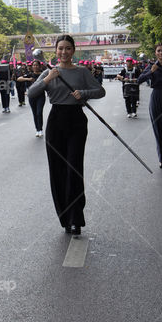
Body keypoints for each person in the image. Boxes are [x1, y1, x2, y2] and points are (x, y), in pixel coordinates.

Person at [27, 35, 105, 236]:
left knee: (74, 168)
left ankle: (75, 218)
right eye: (60, 48)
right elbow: (31, 93)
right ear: (56, 51)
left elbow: (100, 90)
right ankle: (64, 217)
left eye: (68, 48)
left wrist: (83, 93)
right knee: (58, 170)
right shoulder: (48, 72)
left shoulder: (81, 71)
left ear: (73, 50)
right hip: (56, 121)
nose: (64, 52)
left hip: (76, 121)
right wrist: (47, 79)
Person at [21, 60, 43, 136]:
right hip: (32, 96)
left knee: (39, 112)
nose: (35, 66)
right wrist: (28, 79)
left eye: (37, 65)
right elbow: (19, 79)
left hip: (40, 96)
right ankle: (37, 129)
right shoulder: (30, 74)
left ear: (40, 67)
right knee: (34, 113)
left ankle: (40, 129)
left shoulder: (43, 75)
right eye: (33, 65)